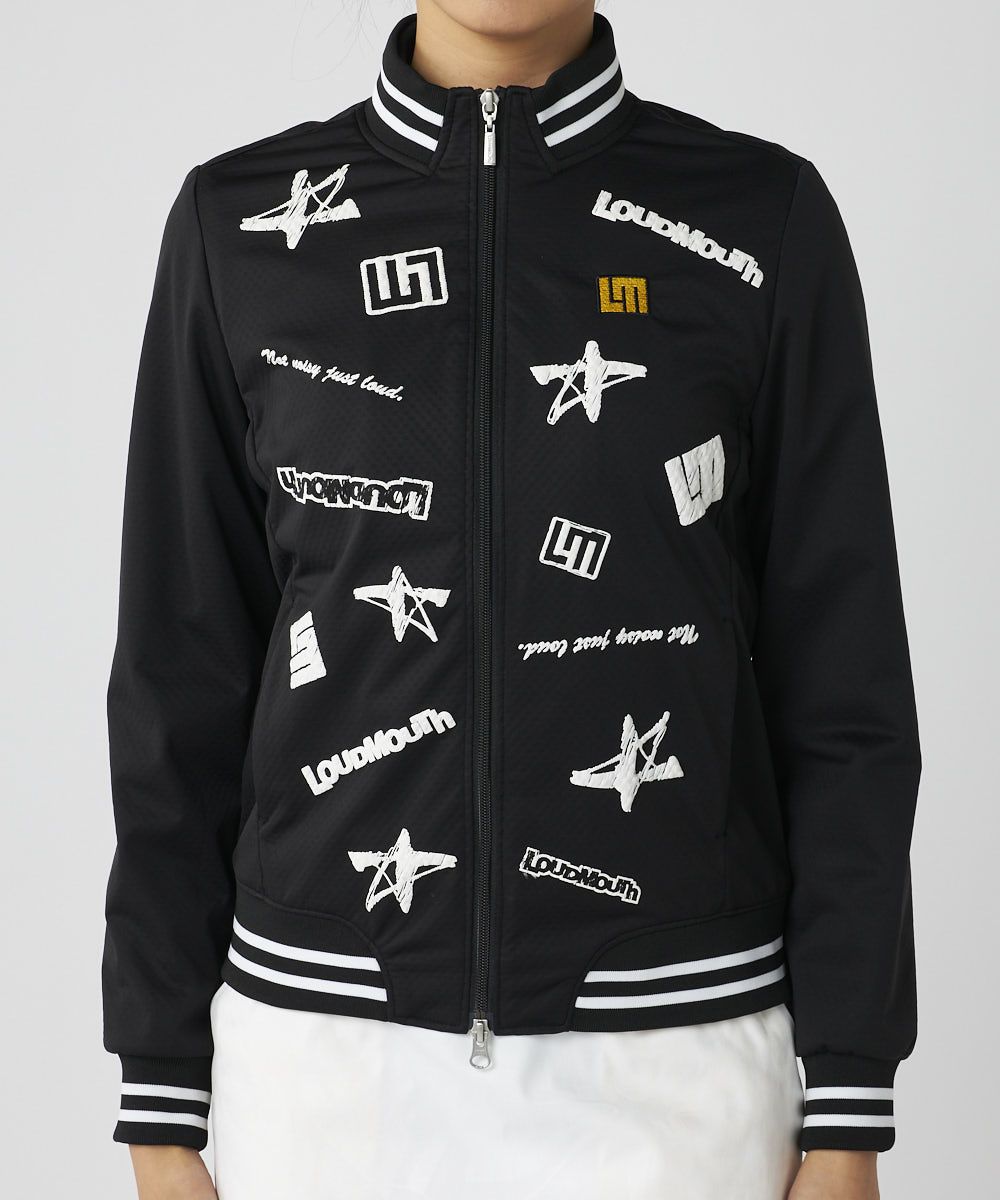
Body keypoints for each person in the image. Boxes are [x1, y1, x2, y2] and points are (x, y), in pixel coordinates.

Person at [102, 2, 921, 1198]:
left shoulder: (758, 220)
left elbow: (844, 691)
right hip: (327, 1070)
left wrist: (847, 1103)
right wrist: (160, 1099)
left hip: (674, 1068)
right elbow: (177, 681)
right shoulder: (238, 228)